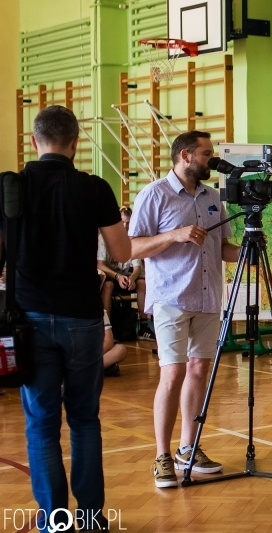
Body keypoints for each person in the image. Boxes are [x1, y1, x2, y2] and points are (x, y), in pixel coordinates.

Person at [0, 105, 130, 530]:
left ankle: (54, 521)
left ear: (33, 141)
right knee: (84, 420)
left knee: (41, 425)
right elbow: (122, 252)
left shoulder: (10, 187)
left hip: (29, 319)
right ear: (75, 143)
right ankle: (91, 518)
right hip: (83, 318)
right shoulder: (94, 188)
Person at [128, 130, 239, 489]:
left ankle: (188, 448)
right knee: (172, 373)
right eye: (206, 153)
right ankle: (162, 455)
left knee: (198, 370)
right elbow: (132, 248)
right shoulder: (154, 194)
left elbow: (222, 248)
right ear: (186, 156)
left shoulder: (213, 197)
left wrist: (247, 250)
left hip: (207, 298)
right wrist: (173, 235)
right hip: (171, 298)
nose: (212, 159)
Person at [98, 206, 154, 340]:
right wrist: (117, 276)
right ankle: (107, 329)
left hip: (127, 276)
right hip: (112, 275)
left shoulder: (133, 239)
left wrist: (132, 278)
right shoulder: (103, 239)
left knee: (142, 283)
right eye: (122, 222)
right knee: (108, 286)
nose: (125, 226)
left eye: (128, 223)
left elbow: (137, 268)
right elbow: (100, 265)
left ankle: (144, 327)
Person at [102, 309, 128, 377]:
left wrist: (93, 355)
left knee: (121, 349)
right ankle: (100, 369)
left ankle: (90, 369)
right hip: (78, 354)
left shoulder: (100, 311)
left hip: (95, 353)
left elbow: (108, 342)